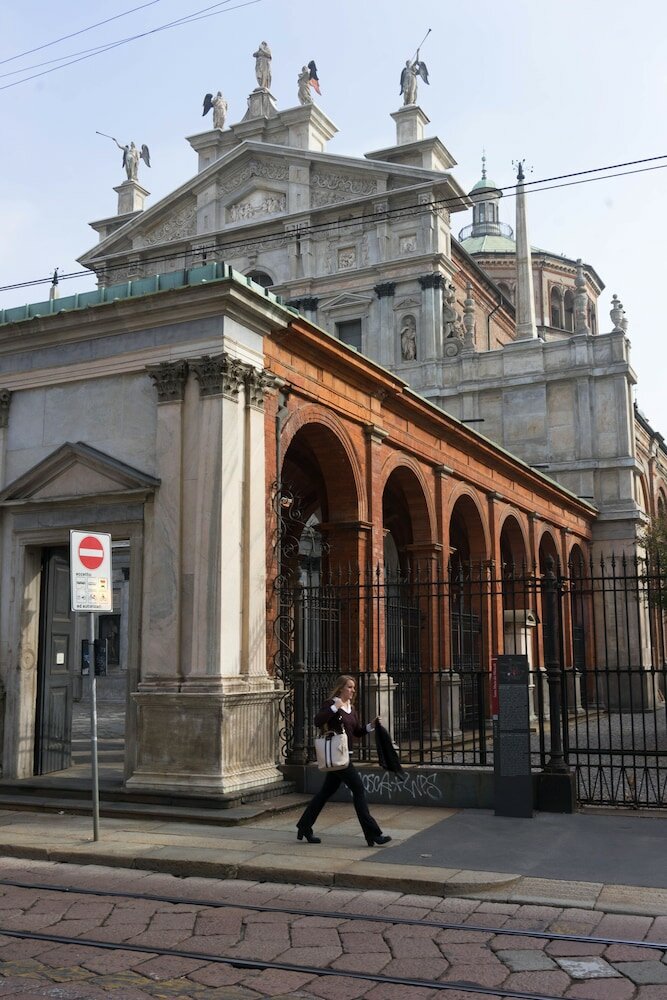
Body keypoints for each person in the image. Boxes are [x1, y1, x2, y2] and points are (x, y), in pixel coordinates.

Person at [296, 674, 392, 847]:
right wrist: (334, 708)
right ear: (341, 688)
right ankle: (373, 833)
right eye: (349, 687)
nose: (352, 690)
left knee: (325, 793)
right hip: (338, 756)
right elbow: (318, 721)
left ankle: (304, 826)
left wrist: (371, 726)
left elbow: (356, 732)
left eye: (353, 688)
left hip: (345, 756)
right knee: (359, 789)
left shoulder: (351, 708)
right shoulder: (332, 704)